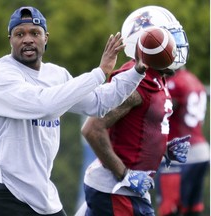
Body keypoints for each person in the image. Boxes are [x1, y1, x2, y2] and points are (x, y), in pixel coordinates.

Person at [0, 6, 149, 216]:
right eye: (19, 34)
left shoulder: (56, 74)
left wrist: (138, 71)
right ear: (10, 40)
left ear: (46, 38)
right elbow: (44, 106)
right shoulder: (1, 75)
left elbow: (98, 103)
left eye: (35, 33)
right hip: (5, 188)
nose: (27, 39)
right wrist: (99, 73)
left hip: (40, 191)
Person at [75, 6, 191, 216]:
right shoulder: (135, 82)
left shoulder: (157, 76)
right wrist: (125, 175)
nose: (176, 46)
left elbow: (137, 126)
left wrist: (162, 148)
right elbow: (92, 129)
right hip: (116, 189)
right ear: (148, 43)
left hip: (128, 188)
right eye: (168, 39)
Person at [155, 66, 210, 216]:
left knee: (169, 210)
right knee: (192, 210)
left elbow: (158, 113)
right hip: (201, 152)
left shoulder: (175, 83)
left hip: (180, 156)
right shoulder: (194, 80)